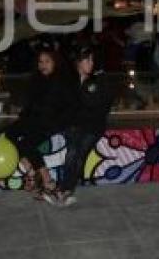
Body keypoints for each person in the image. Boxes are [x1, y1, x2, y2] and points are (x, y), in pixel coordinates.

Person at [5, 45, 76, 199]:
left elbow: (70, 108)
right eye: (40, 62)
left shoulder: (63, 81)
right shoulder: (36, 79)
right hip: (32, 119)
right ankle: (30, 168)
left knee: (27, 144)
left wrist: (57, 123)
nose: (43, 65)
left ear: (55, 62)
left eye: (47, 61)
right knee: (9, 134)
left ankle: (47, 180)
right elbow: (30, 104)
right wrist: (22, 117)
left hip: (50, 122)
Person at [48, 46, 113, 207]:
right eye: (87, 60)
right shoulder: (68, 80)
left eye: (92, 59)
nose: (91, 63)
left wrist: (81, 96)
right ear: (78, 62)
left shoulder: (98, 80)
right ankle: (65, 190)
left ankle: (65, 189)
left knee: (78, 153)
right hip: (73, 125)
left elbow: (99, 105)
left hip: (93, 126)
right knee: (73, 152)